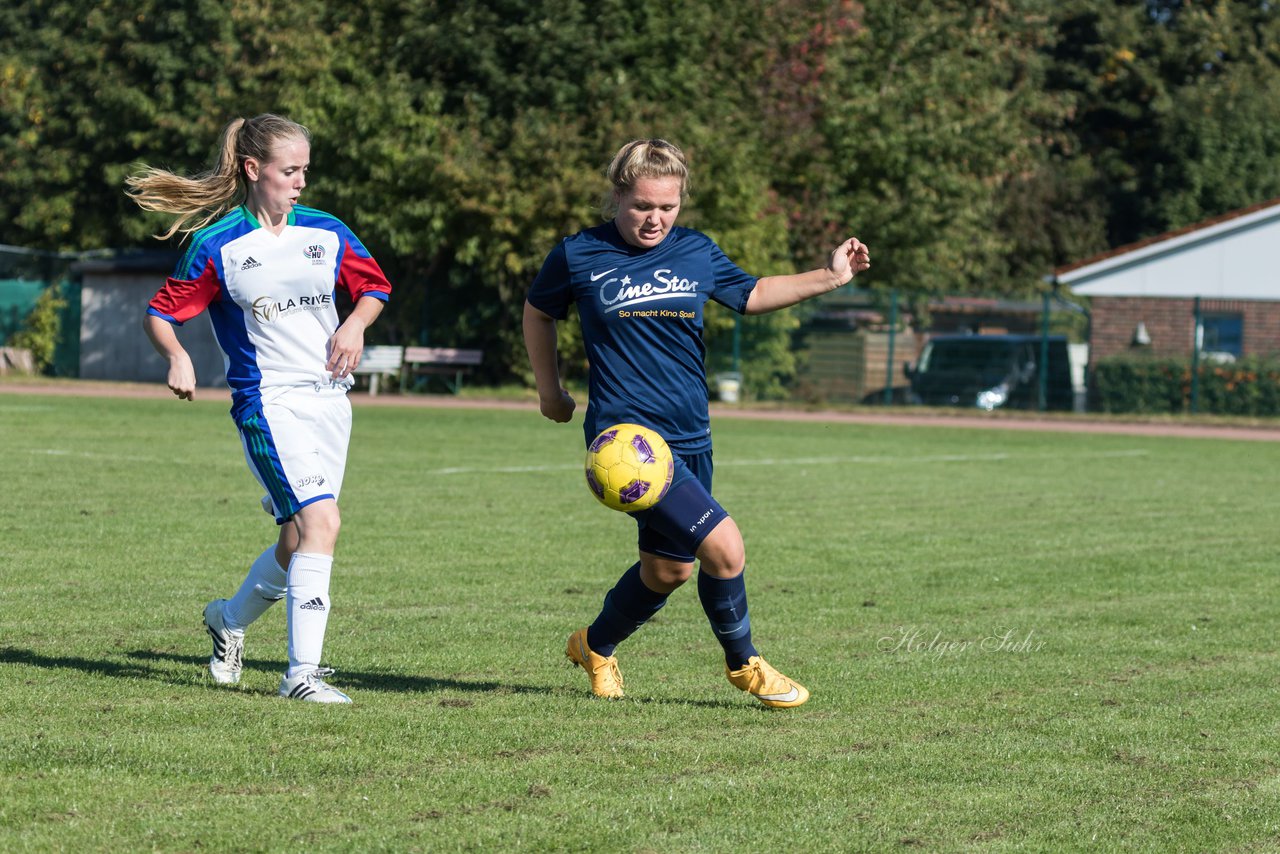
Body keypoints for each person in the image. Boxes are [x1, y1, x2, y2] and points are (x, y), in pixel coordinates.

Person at [523, 138, 871, 707]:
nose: (655, 219)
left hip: (693, 436)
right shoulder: (577, 254)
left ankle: (594, 645)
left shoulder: (695, 252)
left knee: (667, 573)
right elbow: (538, 311)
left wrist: (830, 277)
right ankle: (746, 667)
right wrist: (549, 390)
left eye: (668, 206)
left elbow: (753, 293)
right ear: (617, 197)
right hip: (629, 443)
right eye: (642, 206)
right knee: (725, 548)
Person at [127, 114, 392, 703]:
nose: (300, 182)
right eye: (289, 171)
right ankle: (302, 676)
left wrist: (353, 324)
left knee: (298, 540)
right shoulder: (219, 244)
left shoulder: (326, 231)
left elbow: (375, 288)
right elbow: (161, 313)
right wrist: (176, 356)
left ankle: (227, 619)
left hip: (331, 401)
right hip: (267, 404)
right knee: (323, 523)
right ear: (254, 170)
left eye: (304, 171)